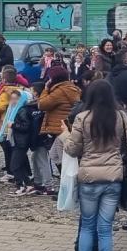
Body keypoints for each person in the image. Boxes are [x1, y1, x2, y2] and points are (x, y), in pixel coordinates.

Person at [65, 80, 127, 251]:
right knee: (105, 229)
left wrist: (67, 138)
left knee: (88, 226)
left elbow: (72, 149)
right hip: (113, 177)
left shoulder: (82, 118)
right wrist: (123, 159)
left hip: (88, 176)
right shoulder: (121, 118)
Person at [35, 66, 80, 194]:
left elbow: (42, 104)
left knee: (61, 158)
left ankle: (68, 188)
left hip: (60, 128)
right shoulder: (72, 88)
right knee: (56, 155)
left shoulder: (58, 91)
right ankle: (66, 186)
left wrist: (45, 89)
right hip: (67, 127)